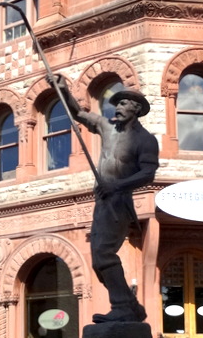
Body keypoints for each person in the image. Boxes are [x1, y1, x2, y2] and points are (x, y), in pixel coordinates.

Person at [54, 76, 159, 323]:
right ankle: (132, 308)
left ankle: (121, 307)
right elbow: (79, 113)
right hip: (102, 202)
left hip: (119, 203)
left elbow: (148, 173)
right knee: (98, 263)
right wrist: (62, 90)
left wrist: (116, 186)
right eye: (117, 104)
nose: (118, 108)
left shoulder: (146, 140)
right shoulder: (106, 127)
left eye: (123, 104)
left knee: (103, 254)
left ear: (135, 109)